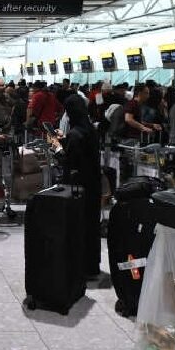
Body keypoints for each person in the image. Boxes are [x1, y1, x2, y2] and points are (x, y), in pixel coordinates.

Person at [47, 95, 101, 278]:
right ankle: (91, 266)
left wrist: (57, 147)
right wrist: (65, 140)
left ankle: (78, 266)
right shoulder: (90, 130)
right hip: (92, 185)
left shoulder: (75, 134)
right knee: (91, 225)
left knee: (78, 225)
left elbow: (69, 160)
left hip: (77, 187)